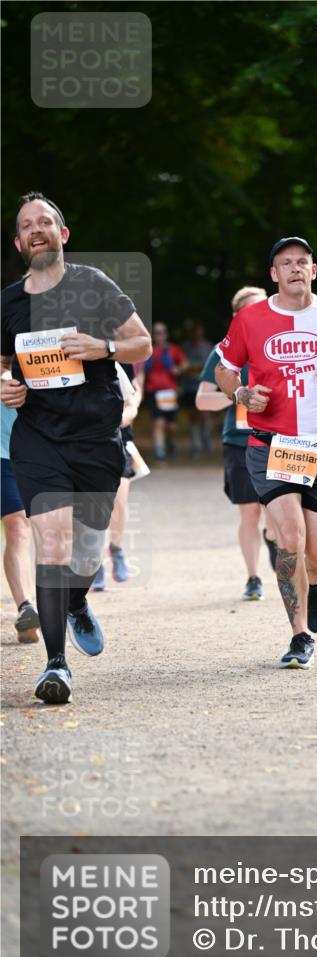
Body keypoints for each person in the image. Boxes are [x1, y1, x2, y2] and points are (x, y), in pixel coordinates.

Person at [0, 192, 152, 703]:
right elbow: (2, 363)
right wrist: (6, 385)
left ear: (62, 234)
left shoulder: (94, 285)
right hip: (38, 438)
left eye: (45, 221)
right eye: (27, 225)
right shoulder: (8, 303)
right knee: (52, 543)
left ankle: (77, 601)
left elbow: (142, 343)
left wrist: (103, 348)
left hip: (95, 437)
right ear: (19, 242)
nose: (36, 229)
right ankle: (56, 665)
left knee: (87, 550)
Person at [216, 237, 317, 667]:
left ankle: (315, 582)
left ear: (313, 271)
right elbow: (224, 370)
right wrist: (241, 394)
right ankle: (300, 635)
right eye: (286, 263)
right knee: (290, 539)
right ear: (274, 274)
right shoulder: (250, 319)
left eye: (303, 262)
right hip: (272, 445)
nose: (295, 268)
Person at [196, 286, 278, 601]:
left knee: (277, 512)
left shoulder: (281, 344)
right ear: (236, 316)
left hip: (278, 439)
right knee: (249, 513)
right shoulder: (223, 351)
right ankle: (253, 578)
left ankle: (273, 537)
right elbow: (202, 400)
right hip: (240, 441)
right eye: (250, 309)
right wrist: (238, 396)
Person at [91, 363, 144, 591]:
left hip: (118, 439)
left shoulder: (120, 361)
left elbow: (133, 398)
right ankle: (94, 562)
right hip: (83, 442)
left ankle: (116, 548)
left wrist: (120, 418)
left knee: (119, 502)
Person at [1, 399, 40, 642]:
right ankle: (26, 606)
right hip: (2, 453)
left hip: (41, 453)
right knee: (17, 524)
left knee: (47, 531)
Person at [139, 321, 187, 461]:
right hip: (153, 390)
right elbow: (140, 370)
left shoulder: (173, 349)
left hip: (169, 391)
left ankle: (170, 441)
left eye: (162, 332)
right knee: (158, 422)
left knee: (171, 425)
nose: (159, 335)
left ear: (166, 334)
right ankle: (160, 452)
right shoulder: (148, 350)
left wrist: (178, 369)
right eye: (156, 333)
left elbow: (185, 363)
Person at [181, 321, 213, 458]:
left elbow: (212, 366)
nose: (197, 335)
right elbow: (182, 365)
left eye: (199, 333)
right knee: (192, 416)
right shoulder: (185, 347)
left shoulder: (208, 347)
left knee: (204, 414)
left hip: (204, 386)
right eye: (195, 333)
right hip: (189, 386)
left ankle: (206, 438)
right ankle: (196, 444)